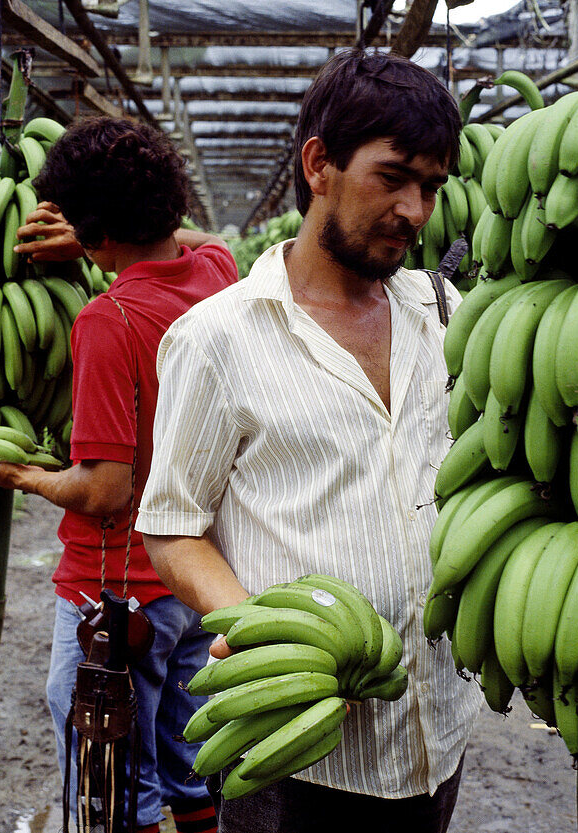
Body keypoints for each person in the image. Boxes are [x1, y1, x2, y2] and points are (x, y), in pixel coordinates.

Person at [134, 49, 481, 832]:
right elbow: (172, 524)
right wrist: (255, 630)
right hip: (298, 748)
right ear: (319, 164)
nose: (417, 210)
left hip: (437, 732)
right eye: (392, 177)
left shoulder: (447, 312)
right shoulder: (218, 338)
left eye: (431, 186)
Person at [0, 115, 237, 833]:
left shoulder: (106, 321)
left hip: (118, 593)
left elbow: (106, 489)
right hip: (197, 582)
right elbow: (207, 242)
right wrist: (96, 244)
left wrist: (25, 477)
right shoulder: (216, 278)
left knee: (109, 770)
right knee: (186, 754)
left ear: (96, 233)